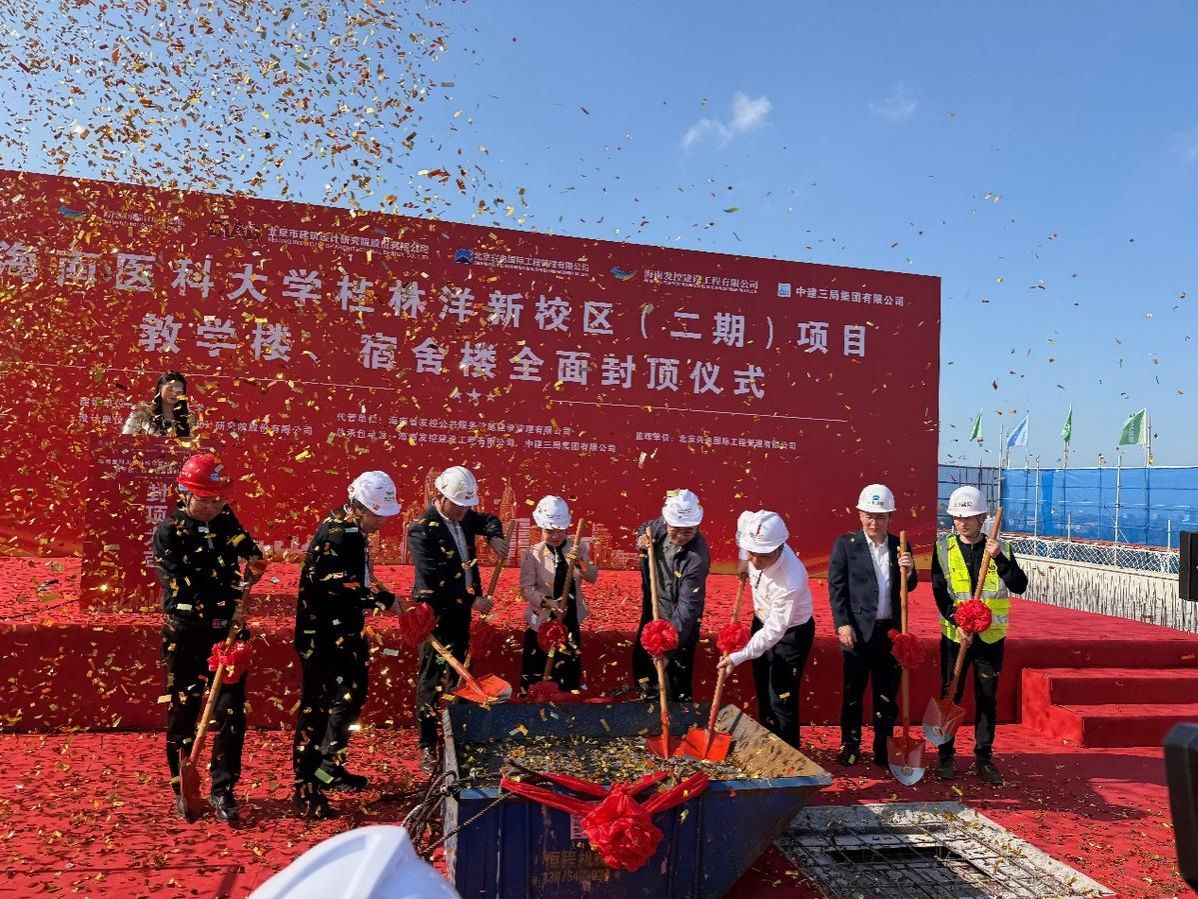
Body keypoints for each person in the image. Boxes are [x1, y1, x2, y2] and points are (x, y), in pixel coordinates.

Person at [153, 452, 263, 823]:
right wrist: (221, 605)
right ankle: (182, 787)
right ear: (184, 493)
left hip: (229, 633)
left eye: (219, 499)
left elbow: (250, 550)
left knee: (231, 712)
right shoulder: (169, 532)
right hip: (188, 633)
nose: (213, 506)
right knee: (183, 711)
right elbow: (180, 586)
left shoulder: (225, 518)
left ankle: (223, 788)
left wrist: (256, 564)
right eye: (205, 499)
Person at [292, 472, 401, 818]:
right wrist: (386, 602)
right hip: (321, 637)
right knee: (317, 709)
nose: (382, 521)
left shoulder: (355, 530)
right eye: (377, 514)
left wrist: (383, 595)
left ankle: (330, 768)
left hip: (348, 631)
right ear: (359, 507)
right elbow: (340, 587)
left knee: (351, 698)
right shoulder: (338, 533)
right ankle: (306, 787)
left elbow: (360, 579)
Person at [407, 466, 508, 773]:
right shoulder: (421, 529)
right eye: (458, 504)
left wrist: (494, 537)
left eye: (467, 505)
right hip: (434, 615)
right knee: (431, 679)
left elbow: (489, 520)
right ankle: (427, 744)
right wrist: (472, 600)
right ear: (440, 496)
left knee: (462, 674)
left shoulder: (465, 517)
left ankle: (460, 738)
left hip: (461, 612)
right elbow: (433, 579)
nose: (464, 510)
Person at [932, 485, 1028, 785]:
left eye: (968, 517)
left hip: (990, 638)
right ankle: (945, 756)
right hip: (956, 637)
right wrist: (957, 621)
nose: (962, 522)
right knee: (951, 694)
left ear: (982, 518)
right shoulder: (943, 549)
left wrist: (999, 558)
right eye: (958, 517)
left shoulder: (1000, 548)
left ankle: (984, 757)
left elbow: (1019, 585)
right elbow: (940, 592)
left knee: (987, 698)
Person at [828, 484, 918, 769]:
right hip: (856, 631)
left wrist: (910, 571)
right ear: (860, 515)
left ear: (890, 517)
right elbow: (837, 588)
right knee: (853, 692)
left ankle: (883, 748)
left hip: (889, 633)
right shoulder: (846, 544)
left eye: (880, 516)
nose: (874, 522)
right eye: (869, 515)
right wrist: (843, 624)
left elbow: (909, 586)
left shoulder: (900, 545)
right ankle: (850, 744)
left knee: (886, 694)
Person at [718, 510, 815, 748]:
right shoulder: (752, 528)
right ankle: (767, 746)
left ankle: (788, 752)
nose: (755, 561)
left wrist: (738, 656)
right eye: (751, 553)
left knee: (781, 695)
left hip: (790, 634)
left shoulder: (791, 579)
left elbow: (775, 630)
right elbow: (743, 518)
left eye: (762, 556)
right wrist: (743, 558)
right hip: (760, 620)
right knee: (763, 688)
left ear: (779, 548)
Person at [632, 489, 710, 702]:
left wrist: (667, 649)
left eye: (688, 532)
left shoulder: (697, 558)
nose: (681, 537)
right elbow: (644, 528)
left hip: (679, 622)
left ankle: (677, 714)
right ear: (667, 521)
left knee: (676, 677)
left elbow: (687, 608)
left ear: (697, 525)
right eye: (675, 530)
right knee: (644, 669)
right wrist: (641, 540)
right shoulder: (658, 526)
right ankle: (645, 703)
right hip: (653, 608)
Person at [518, 496, 598, 693]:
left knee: (567, 672)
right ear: (541, 529)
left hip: (570, 619)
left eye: (559, 530)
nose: (555, 536)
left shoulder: (578, 547)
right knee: (536, 671)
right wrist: (547, 602)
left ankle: (566, 704)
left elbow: (592, 576)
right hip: (541, 620)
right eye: (549, 531)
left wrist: (580, 561)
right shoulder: (532, 553)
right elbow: (526, 589)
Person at [123, 371, 192, 436]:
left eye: (178, 390)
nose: (174, 394)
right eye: (169, 389)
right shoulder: (141, 413)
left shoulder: (189, 418)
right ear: (160, 389)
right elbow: (125, 440)